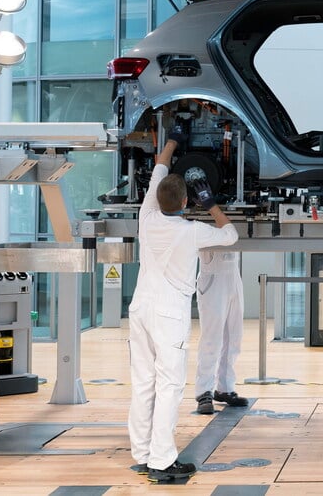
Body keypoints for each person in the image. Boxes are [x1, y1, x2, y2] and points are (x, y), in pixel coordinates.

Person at [128, 124, 239, 484]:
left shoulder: (146, 215)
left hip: (141, 308)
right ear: (187, 203)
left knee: (143, 382)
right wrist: (211, 203)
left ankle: (142, 454)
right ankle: (162, 461)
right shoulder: (191, 230)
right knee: (170, 386)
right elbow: (230, 234)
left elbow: (160, 167)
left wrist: (172, 139)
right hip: (168, 315)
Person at [194, 250, 249, 415]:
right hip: (213, 272)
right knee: (211, 339)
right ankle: (204, 391)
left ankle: (225, 388)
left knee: (234, 336)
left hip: (233, 273)